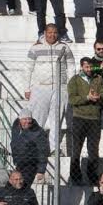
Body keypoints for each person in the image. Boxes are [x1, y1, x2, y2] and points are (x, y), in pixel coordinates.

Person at [26, 24, 74, 153]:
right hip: (40, 87)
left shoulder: (64, 47)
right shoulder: (36, 48)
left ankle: (54, 148)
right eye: (49, 32)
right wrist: (27, 88)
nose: (52, 35)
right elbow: (28, 69)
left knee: (56, 120)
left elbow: (71, 67)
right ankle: (35, 147)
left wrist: (70, 86)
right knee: (37, 119)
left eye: (55, 32)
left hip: (60, 88)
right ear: (45, 33)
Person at [67, 57, 103, 185]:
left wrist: (98, 97)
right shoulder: (75, 80)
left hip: (95, 119)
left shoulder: (98, 79)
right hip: (79, 118)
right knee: (76, 150)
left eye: (91, 67)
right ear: (82, 67)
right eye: (86, 67)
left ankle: (92, 177)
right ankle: (75, 177)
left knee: (93, 151)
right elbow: (72, 100)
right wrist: (87, 98)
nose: (89, 69)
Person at [10, 108, 49, 187]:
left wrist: (41, 170)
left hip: (30, 165)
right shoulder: (16, 127)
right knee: (14, 189)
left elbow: (43, 151)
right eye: (25, 119)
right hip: (19, 163)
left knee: (23, 188)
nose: (27, 121)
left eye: (29, 119)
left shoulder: (38, 132)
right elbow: (14, 143)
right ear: (20, 120)